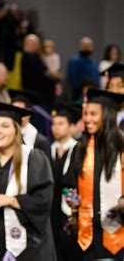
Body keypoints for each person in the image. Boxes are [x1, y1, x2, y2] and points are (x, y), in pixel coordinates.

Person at [0, 102, 55, 260]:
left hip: (29, 250)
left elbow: (44, 201)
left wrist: (11, 200)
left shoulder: (34, 159)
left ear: (17, 130)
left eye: (5, 126)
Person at [67, 88, 124, 259]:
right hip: (88, 234)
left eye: (93, 114)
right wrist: (71, 197)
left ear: (107, 115)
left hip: (119, 231)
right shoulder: (80, 148)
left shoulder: (121, 146)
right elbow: (69, 184)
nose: (88, 119)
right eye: (86, 114)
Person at [49, 104, 83, 261]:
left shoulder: (79, 150)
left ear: (72, 127)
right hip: (50, 212)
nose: (56, 128)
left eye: (61, 123)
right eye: (53, 123)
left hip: (69, 213)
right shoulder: (46, 149)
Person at [9, 89, 52, 159]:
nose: (16, 114)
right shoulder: (5, 136)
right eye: (13, 110)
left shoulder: (41, 141)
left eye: (20, 110)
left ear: (28, 114)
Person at [67, 37, 100, 101]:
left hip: (94, 94)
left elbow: (97, 79)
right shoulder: (75, 61)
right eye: (85, 45)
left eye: (89, 45)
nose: (87, 47)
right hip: (79, 95)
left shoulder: (93, 62)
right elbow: (73, 80)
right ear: (80, 46)